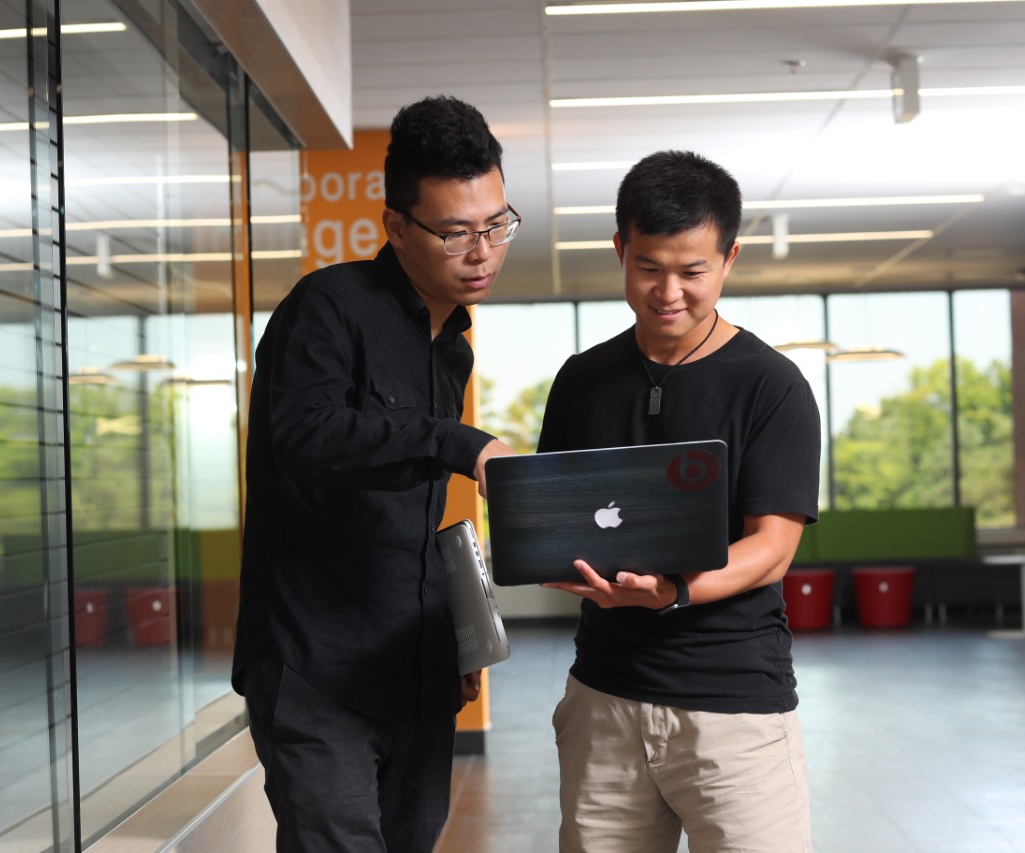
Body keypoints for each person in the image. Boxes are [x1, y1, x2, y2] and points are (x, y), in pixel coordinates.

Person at [231, 94, 516, 853]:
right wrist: (460, 443)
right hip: (314, 666)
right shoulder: (325, 308)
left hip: (413, 668)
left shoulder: (452, 342)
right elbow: (307, 437)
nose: (481, 251)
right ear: (395, 225)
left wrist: (456, 636)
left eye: (495, 225)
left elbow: (413, 515)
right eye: (455, 232)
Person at [536, 150, 821, 852]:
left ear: (728, 260)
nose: (669, 291)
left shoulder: (772, 386)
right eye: (649, 267)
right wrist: (550, 556)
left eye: (693, 271)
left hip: (734, 710)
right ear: (619, 251)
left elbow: (772, 548)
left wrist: (672, 592)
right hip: (604, 700)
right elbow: (554, 514)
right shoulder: (582, 380)